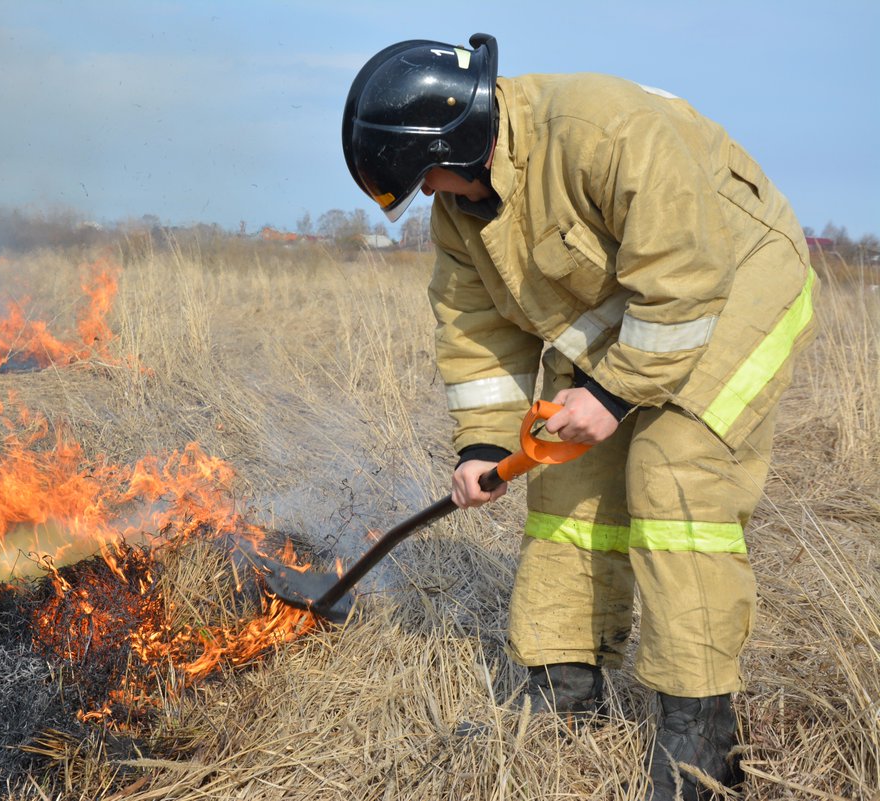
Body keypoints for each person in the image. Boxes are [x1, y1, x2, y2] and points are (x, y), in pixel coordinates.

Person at [341, 33, 817, 801]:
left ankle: (701, 731)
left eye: (425, 177)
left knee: (672, 469)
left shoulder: (603, 130)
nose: (427, 194)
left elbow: (685, 277)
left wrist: (617, 394)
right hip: (628, 303)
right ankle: (567, 682)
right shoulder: (463, 216)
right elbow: (475, 331)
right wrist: (485, 445)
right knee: (564, 478)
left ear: (457, 141)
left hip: (736, 278)